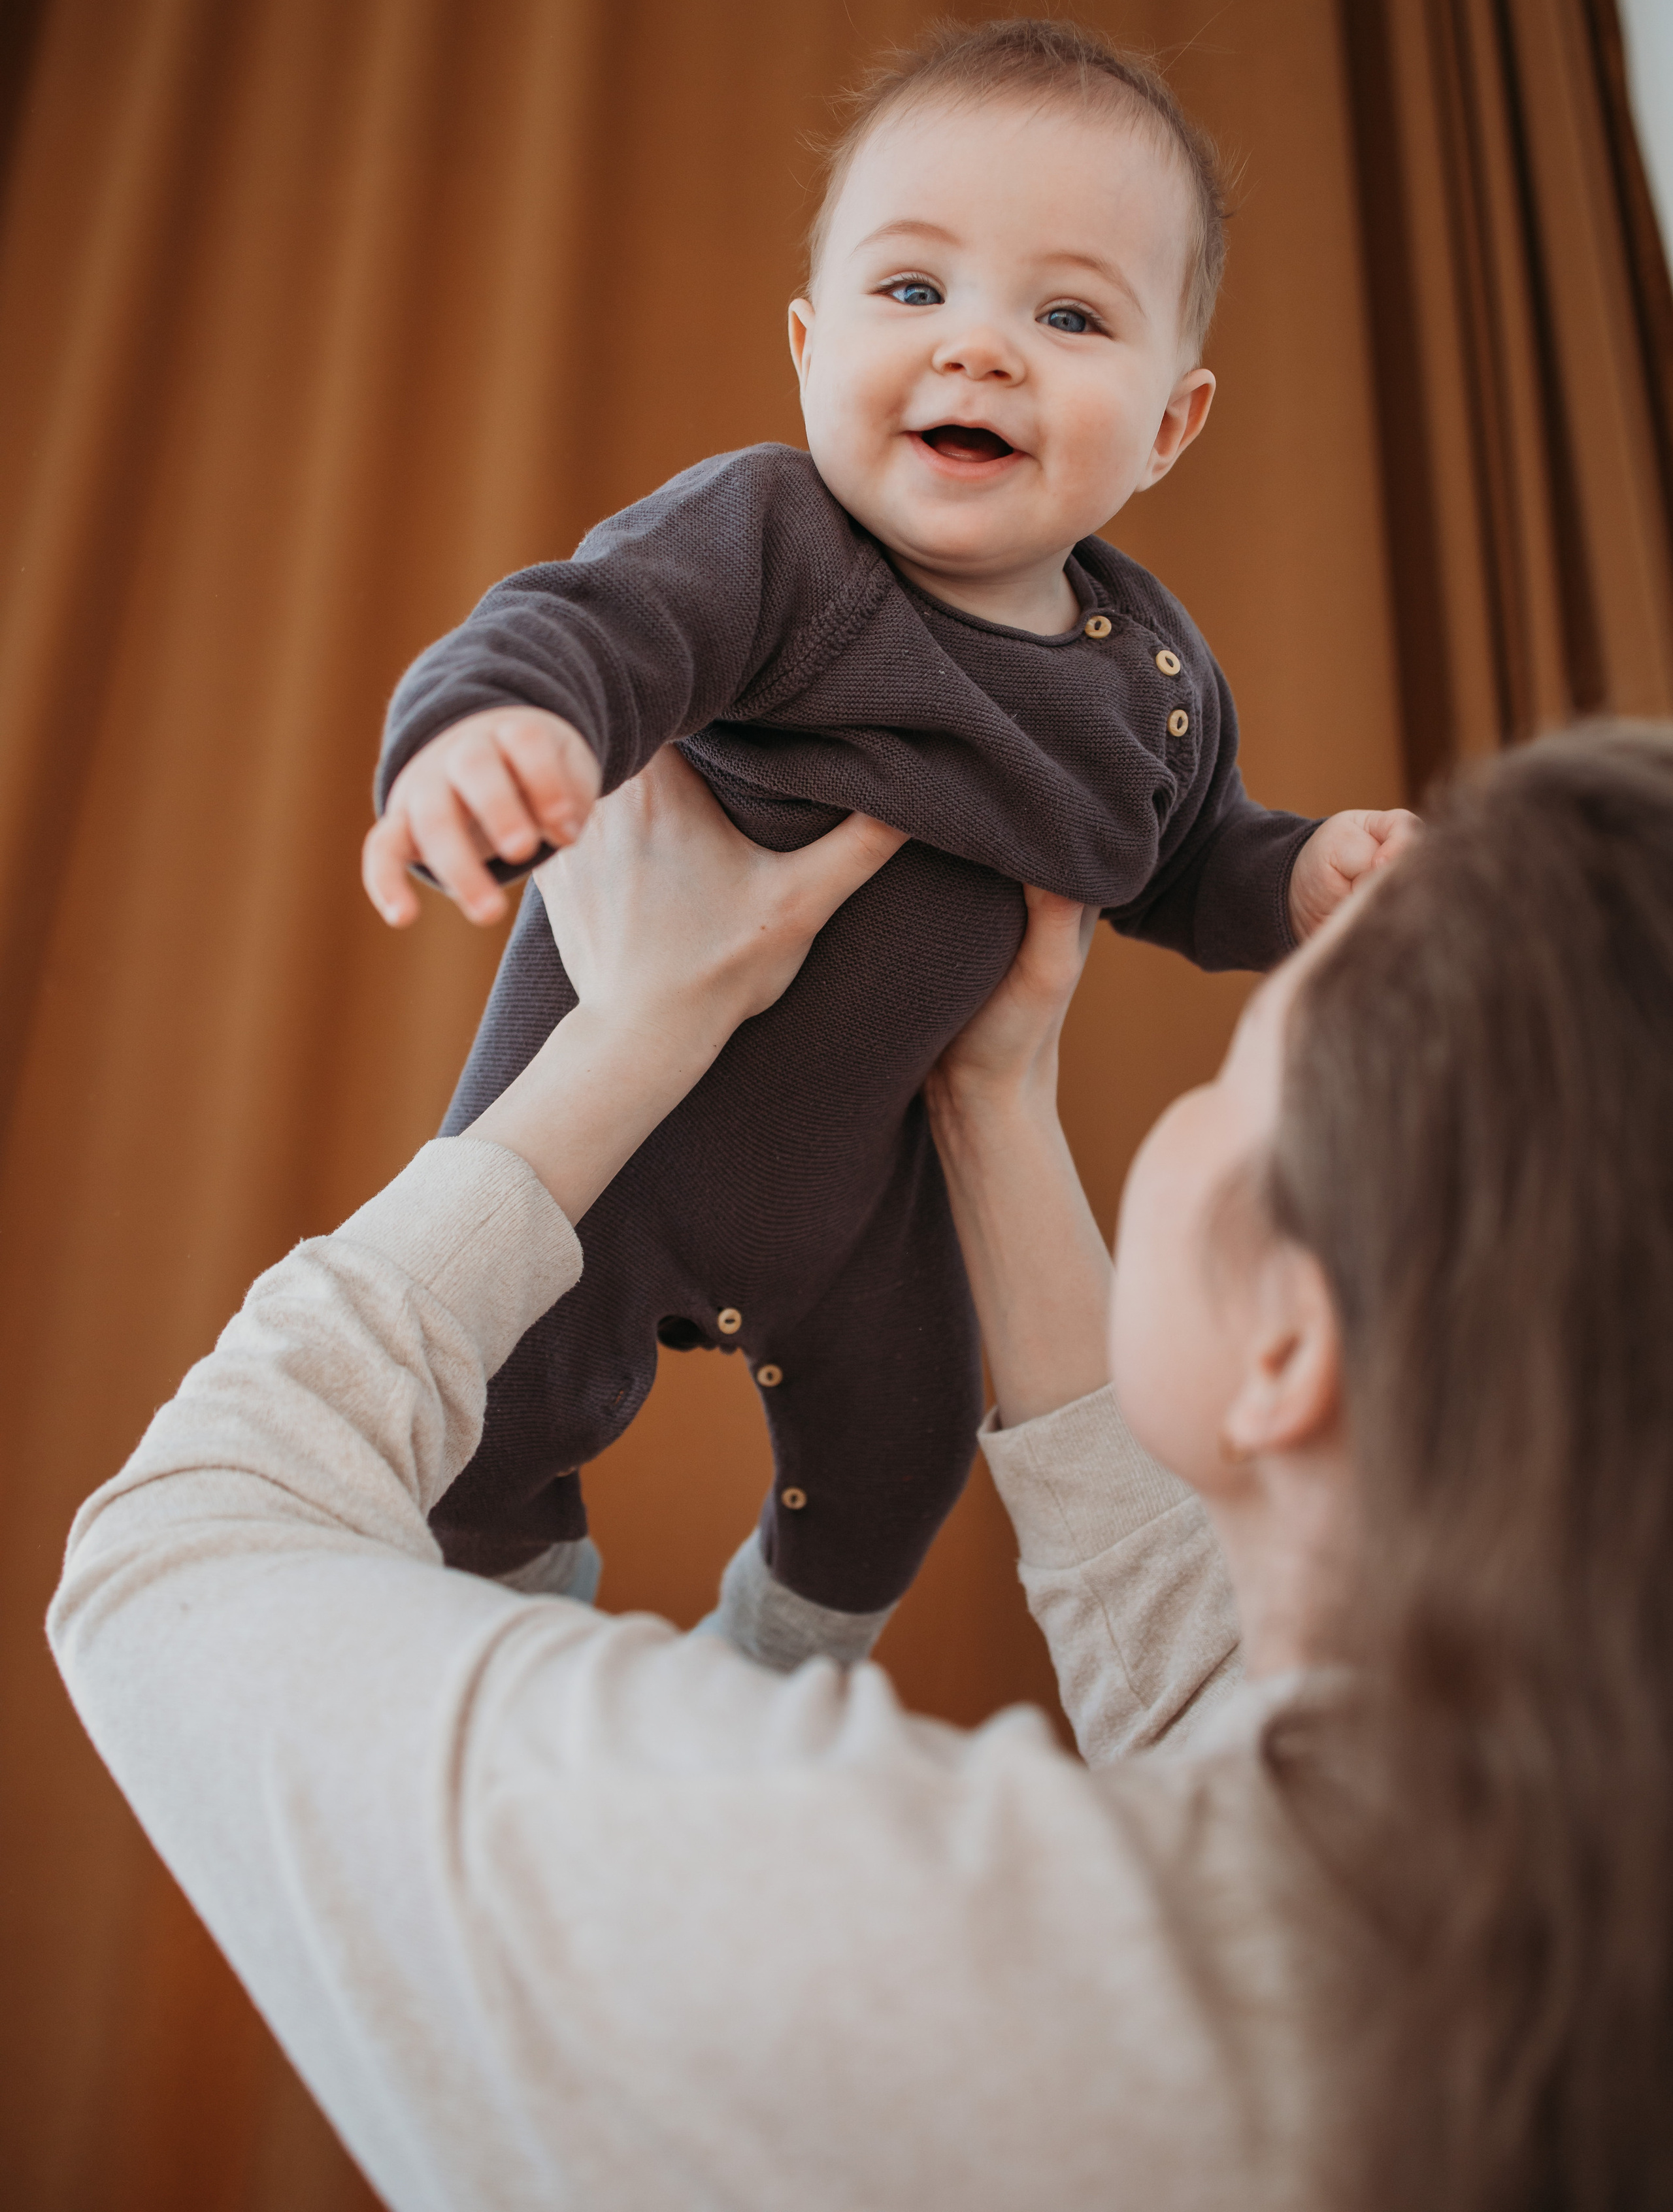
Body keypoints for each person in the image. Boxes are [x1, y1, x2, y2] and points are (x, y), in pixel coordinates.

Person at [51, 722, 1673, 2211]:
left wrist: (640, 1028)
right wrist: (995, 1099)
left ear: (1288, 1348)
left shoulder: (938, 1955)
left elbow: (173, 1563)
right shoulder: (1542, 1917)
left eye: (1234, 1075)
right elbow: (1220, 1695)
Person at [360, 16, 1416, 1657]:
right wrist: (497, 729)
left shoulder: (1146, 674)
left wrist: (1298, 879)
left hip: (869, 1188)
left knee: (903, 1453)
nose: (978, 349)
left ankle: (773, 1670)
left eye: (1067, 315)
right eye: (912, 291)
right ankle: (517, 1644)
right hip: (608, 1151)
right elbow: (585, 629)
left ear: (1168, 425)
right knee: (483, 1420)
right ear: (806, 342)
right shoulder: (769, 541)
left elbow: (1183, 858)